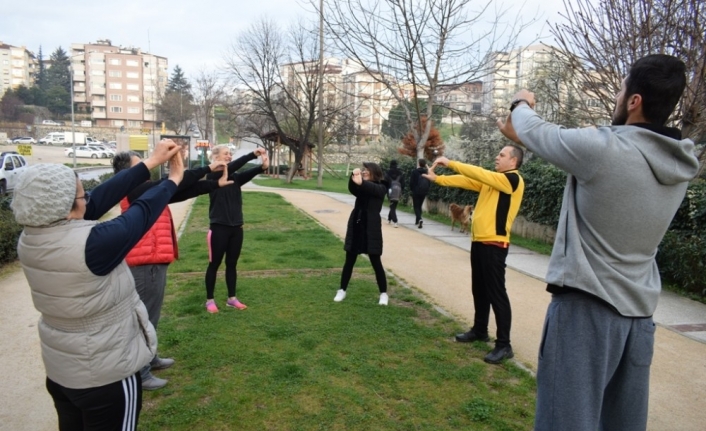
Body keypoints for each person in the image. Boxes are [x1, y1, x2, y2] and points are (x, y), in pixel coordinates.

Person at [497, 54, 699, 431]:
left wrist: (521, 101)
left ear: (635, 101)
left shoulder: (605, 149)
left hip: (585, 314)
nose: (618, 97)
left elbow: (536, 128)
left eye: (622, 90)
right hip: (638, 320)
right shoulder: (679, 166)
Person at [11, 139, 184, 431]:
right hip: (106, 376)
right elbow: (140, 213)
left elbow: (101, 198)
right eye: (82, 197)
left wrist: (150, 163)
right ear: (66, 209)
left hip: (62, 373)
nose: (88, 200)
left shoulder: (30, 239)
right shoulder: (93, 245)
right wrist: (173, 179)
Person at [112, 149, 232, 390]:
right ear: (128, 173)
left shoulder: (144, 190)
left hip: (153, 260)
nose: (147, 169)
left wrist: (214, 185)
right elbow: (175, 181)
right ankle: (141, 372)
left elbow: (180, 191)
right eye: (141, 166)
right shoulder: (134, 190)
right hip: (146, 263)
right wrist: (208, 169)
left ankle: (150, 358)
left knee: (149, 317)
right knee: (144, 318)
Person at [425, 146, 525, 364]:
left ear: (513, 162)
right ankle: (480, 329)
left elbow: (478, 173)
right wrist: (438, 179)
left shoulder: (512, 180)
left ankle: (504, 344)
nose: (496, 157)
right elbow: (467, 181)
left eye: (501, 155)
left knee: (496, 293)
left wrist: (450, 163)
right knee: (479, 289)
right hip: (479, 242)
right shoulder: (494, 180)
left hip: (495, 244)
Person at [204, 145, 269, 313]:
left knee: (231, 264)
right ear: (216, 157)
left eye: (229, 154)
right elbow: (231, 167)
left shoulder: (235, 177)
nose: (229, 156)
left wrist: (262, 166)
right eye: (225, 154)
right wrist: (251, 154)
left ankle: (231, 298)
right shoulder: (213, 175)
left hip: (236, 228)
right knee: (214, 264)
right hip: (218, 229)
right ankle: (209, 300)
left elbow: (248, 173)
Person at [333, 162, 390, 305]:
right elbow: (353, 188)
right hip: (357, 225)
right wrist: (354, 176)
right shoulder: (362, 186)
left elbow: (374, 189)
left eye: (366, 170)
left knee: (376, 262)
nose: (364, 172)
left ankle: (383, 294)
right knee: (349, 261)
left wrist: (361, 182)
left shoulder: (381, 186)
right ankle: (342, 290)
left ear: (374, 172)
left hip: (371, 228)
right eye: (363, 170)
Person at [409, 158, 431, 228]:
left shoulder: (414, 172)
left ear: (419, 163)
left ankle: (420, 219)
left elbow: (411, 182)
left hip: (416, 191)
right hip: (423, 191)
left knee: (416, 206)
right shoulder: (426, 172)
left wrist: (412, 189)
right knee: (420, 206)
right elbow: (429, 182)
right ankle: (417, 221)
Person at [385, 159, 404, 227]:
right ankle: (389, 219)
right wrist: (402, 191)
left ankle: (395, 221)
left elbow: (385, 182)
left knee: (392, 206)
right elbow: (403, 183)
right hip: (398, 191)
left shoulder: (388, 172)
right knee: (393, 205)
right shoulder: (400, 173)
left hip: (390, 190)